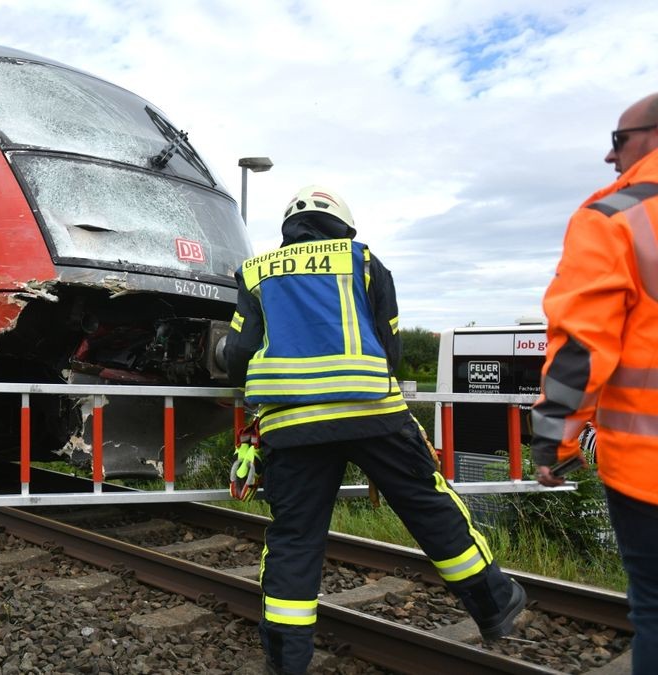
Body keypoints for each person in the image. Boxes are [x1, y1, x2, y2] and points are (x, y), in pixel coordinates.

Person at [225, 185, 525, 674]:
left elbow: (239, 356)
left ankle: (286, 662)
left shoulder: (257, 271)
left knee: (295, 540)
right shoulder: (363, 260)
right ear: (342, 224)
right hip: (374, 415)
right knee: (429, 507)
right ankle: (494, 605)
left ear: (289, 229)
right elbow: (391, 345)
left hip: (293, 424)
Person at [531, 92, 658, 672]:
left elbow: (582, 349)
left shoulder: (621, 216)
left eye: (618, 140)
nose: (611, 158)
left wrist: (554, 444)